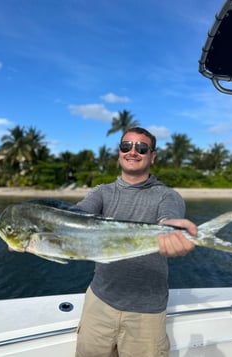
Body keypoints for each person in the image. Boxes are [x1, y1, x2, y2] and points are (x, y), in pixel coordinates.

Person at [75, 127, 197, 357]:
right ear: (119, 152)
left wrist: (173, 230)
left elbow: (168, 218)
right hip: (99, 302)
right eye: (126, 146)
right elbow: (78, 215)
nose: (133, 152)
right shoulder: (101, 192)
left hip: (147, 312)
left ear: (152, 156)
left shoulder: (166, 195)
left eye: (141, 148)